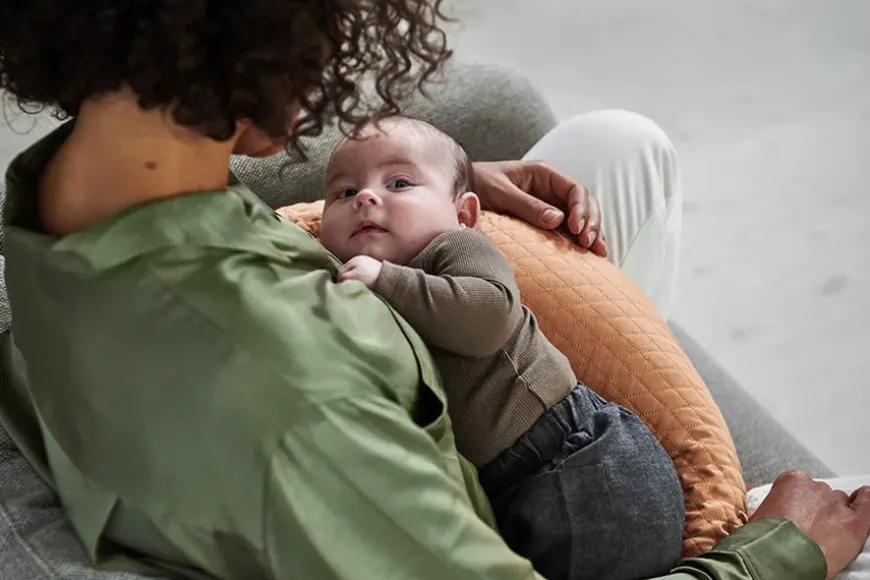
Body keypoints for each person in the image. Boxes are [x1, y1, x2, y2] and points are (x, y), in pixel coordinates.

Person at [0, 1, 868, 579]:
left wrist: (422, 190)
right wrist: (779, 552)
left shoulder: (65, 191)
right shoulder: (301, 402)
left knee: (618, 146)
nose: (327, 60)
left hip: (483, 392)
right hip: (542, 497)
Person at [320, 115, 685, 580]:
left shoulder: (455, 249)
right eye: (344, 193)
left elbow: (489, 318)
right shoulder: (354, 286)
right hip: (513, 487)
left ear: (464, 214)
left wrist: (385, 280)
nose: (365, 198)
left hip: (579, 462)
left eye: (399, 183)